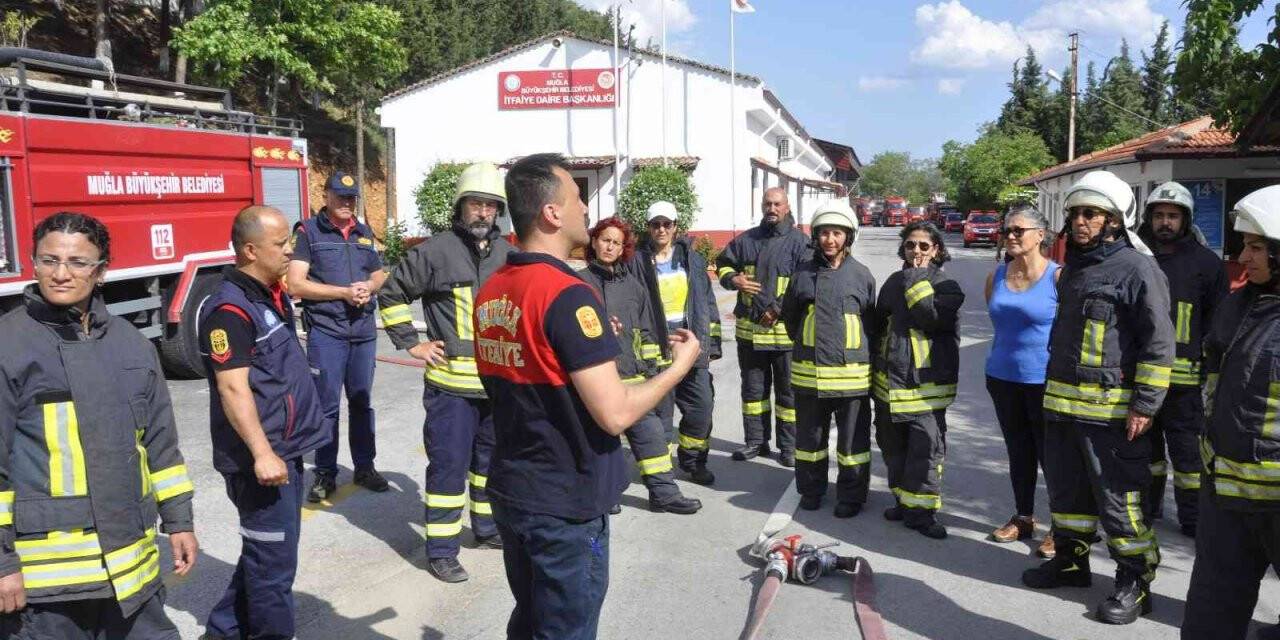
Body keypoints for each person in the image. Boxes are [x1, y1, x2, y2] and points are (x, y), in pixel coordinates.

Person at [474, 153, 700, 639]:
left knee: (531, 619)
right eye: (578, 199)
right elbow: (615, 412)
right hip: (564, 500)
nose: (586, 210)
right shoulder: (567, 293)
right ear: (552, 214)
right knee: (565, 629)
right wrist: (677, 369)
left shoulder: (493, 287)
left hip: (514, 488)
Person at [0, 212, 197, 639]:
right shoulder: (9, 344)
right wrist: (2, 565)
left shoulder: (131, 344)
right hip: (48, 587)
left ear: (102, 271)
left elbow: (162, 444)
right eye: (49, 260)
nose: (61, 274)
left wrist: (179, 521)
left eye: (77, 263)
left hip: (132, 573)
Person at [1021, 170, 1174, 626]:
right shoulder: (1075, 270)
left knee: (1120, 501)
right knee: (1067, 495)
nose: (1081, 221)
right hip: (1064, 410)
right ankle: (1071, 563)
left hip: (1112, 415)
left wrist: (1145, 405)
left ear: (1114, 221)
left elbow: (1158, 344)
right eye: (1076, 213)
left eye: (1092, 213)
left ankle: (1135, 582)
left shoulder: (1139, 269)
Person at [377, 162, 515, 583]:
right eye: (476, 203)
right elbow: (391, 292)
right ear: (460, 207)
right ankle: (441, 551)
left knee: (490, 464)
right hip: (451, 389)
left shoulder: (510, 254)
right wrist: (411, 342)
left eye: (491, 206)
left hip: (497, 387)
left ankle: (487, 530)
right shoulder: (434, 251)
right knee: (448, 469)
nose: (483, 213)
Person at [200, 205, 329, 639]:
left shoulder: (268, 295)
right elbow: (232, 389)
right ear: (251, 250)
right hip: (262, 462)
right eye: (281, 245)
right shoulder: (229, 312)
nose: (290, 251)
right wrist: (262, 453)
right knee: (273, 567)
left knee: (268, 553)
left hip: (283, 451)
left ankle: (221, 631)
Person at [1182, 185, 1280, 640]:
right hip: (1226, 493)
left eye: (1257, 247)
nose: (1244, 256)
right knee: (1210, 616)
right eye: (1246, 244)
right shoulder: (1237, 305)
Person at [580, 217, 701, 514]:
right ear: (594, 242)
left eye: (616, 243)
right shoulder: (579, 283)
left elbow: (647, 330)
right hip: (598, 377)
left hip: (634, 376)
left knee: (651, 434)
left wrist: (653, 369)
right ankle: (607, 495)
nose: (610, 246)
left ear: (624, 249)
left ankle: (664, 493)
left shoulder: (633, 287)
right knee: (601, 440)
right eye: (605, 240)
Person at [289, 172, 390, 502]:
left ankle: (365, 467)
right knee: (327, 407)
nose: (347, 203)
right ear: (326, 195)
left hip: (362, 332)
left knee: (362, 402)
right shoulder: (308, 232)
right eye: (341, 196)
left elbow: (378, 274)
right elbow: (296, 284)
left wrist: (367, 287)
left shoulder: (363, 232)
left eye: (352, 198)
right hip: (327, 333)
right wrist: (342, 293)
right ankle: (324, 474)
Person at [1136, 181, 1227, 537]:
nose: (1165, 222)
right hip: (1141, 378)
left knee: (1188, 460)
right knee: (1146, 453)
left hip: (1186, 386)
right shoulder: (1137, 258)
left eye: (1173, 216)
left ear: (1185, 220)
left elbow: (1218, 322)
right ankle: (1148, 508)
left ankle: (1192, 519)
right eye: (1159, 215)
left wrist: (1212, 373)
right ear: (1149, 218)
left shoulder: (1207, 264)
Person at [780, 200, 877, 517]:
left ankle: (851, 496)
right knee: (810, 440)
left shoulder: (861, 276)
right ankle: (810, 489)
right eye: (824, 233)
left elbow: (871, 325)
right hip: (810, 375)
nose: (830, 240)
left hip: (852, 377)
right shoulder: (802, 275)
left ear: (848, 237)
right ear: (816, 236)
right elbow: (790, 319)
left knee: (852, 445)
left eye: (837, 233)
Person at [873, 221, 964, 539]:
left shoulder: (947, 285)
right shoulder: (892, 282)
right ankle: (903, 501)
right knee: (892, 448)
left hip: (925, 388)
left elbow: (932, 318)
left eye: (924, 246)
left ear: (936, 250)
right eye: (911, 245)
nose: (916, 251)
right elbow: (877, 327)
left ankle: (923, 514)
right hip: (889, 384)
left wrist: (915, 278)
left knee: (925, 452)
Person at [984, 205, 1059, 558]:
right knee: (1019, 452)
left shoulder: (1059, 278)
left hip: (1043, 380)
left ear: (1040, 235)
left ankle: (1063, 526)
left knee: (1053, 456)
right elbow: (998, 323)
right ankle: (1024, 516)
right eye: (1007, 231)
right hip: (1002, 378)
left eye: (1018, 230)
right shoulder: (996, 276)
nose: (1010, 236)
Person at [715, 187, 810, 466]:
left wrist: (778, 309)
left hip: (785, 336)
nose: (772, 208)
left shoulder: (801, 243)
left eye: (777, 204)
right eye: (768, 203)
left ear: (786, 206)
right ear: (761, 205)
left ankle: (789, 447)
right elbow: (722, 265)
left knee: (788, 394)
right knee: (753, 393)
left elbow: (804, 283)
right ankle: (756, 442)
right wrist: (734, 280)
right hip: (749, 334)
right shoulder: (746, 240)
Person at [634, 201, 721, 486]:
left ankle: (694, 461)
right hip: (656, 346)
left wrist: (712, 342)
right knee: (661, 415)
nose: (661, 229)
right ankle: (660, 472)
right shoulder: (636, 262)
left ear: (675, 227)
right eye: (656, 224)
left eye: (667, 224)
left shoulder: (692, 261)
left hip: (689, 343)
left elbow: (706, 302)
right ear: (648, 228)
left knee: (701, 407)